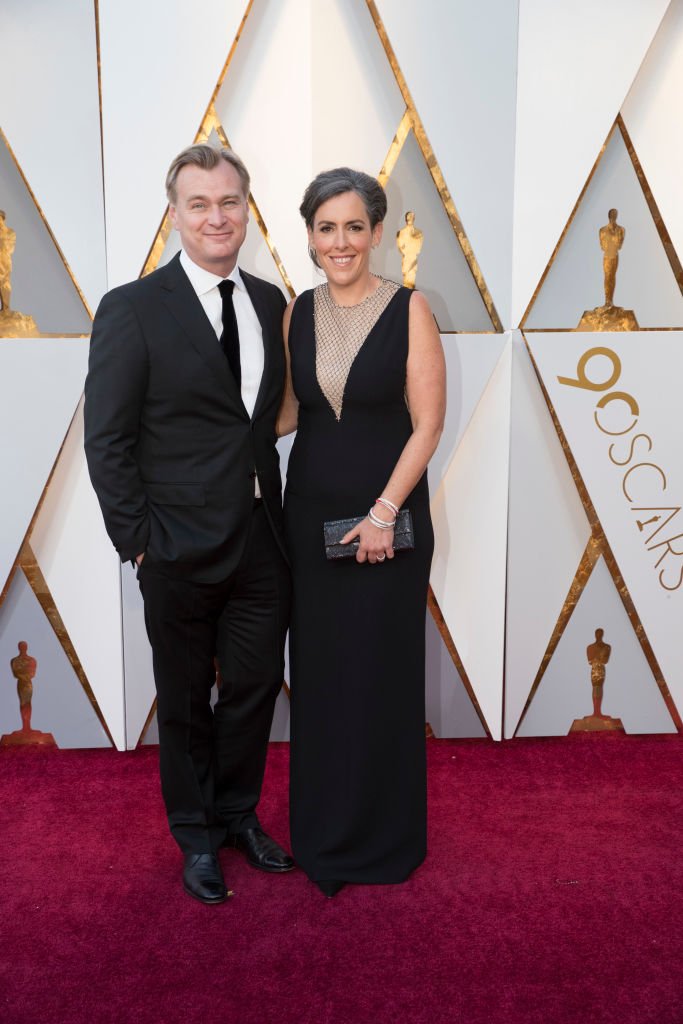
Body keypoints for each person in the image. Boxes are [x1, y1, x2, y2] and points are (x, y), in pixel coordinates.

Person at [84, 144, 293, 905]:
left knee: (253, 688)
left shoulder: (272, 302)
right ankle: (196, 836)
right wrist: (137, 542)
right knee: (182, 701)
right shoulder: (132, 308)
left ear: (247, 208)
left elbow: (262, 422)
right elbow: (106, 438)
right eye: (200, 204)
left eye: (229, 201)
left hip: (262, 540)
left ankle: (238, 814)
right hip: (172, 547)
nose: (217, 216)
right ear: (174, 214)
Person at [277, 168, 446, 897]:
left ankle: (384, 836)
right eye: (325, 227)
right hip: (309, 519)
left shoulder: (410, 310)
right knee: (319, 678)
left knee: (378, 675)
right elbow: (287, 414)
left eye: (353, 227)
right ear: (309, 236)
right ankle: (323, 832)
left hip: (387, 524)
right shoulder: (297, 311)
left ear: (376, 233)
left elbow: (428, 423)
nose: (339, 241)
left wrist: (383, 514)